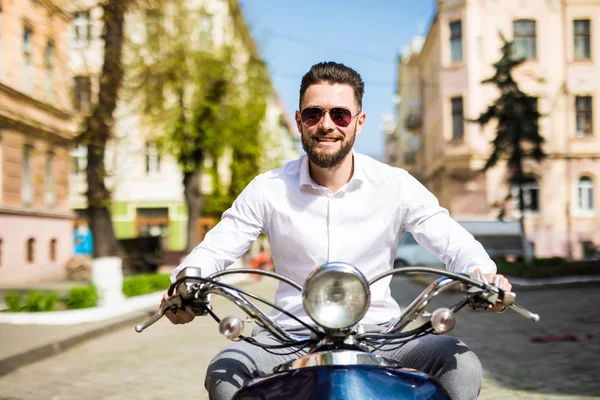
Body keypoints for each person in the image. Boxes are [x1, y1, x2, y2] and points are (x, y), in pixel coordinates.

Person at [162, 61, 511, 400]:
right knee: (225, 372)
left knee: (461, 365)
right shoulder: (267, 188)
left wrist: (481, 274)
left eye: (339, 115)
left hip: (383, 333)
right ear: (299, 121)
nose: (326, 124)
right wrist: (185, 283)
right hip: (286, 334)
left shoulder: (396, 184)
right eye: (314, 114)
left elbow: (451, 238)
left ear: (359, 122)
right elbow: (217, 247)